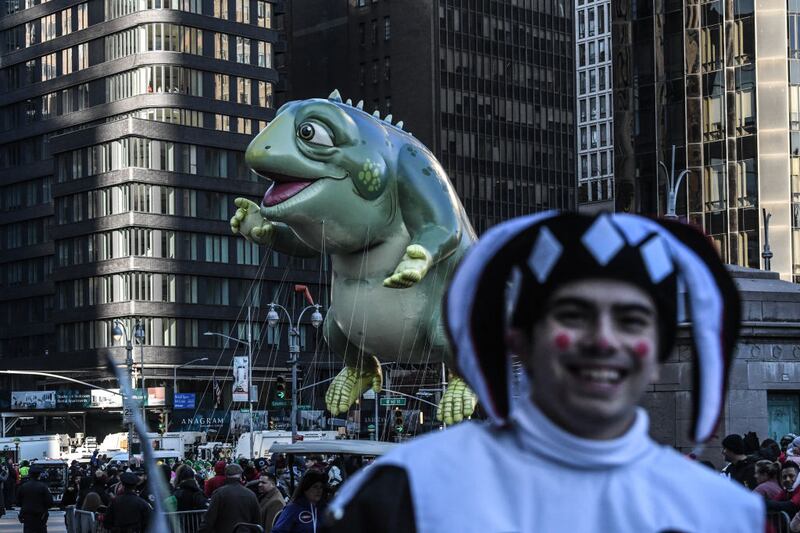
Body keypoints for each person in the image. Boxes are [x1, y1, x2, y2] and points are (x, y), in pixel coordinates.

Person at [324, 213, 764, 532]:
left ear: (657, 352)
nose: (603, 341)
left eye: (632, 321)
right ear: (520, 338)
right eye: (573, 316)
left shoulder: (721, 514)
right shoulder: (407, 491)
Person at [200, 463, 260, 533]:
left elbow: (209, 519)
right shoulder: (251, 494)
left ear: (226, 475)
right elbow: (257, 520)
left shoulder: (219, 493)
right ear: (241, 476)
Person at [16, 468, 53, 533]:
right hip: (40, 515)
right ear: (39, 475)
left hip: (27, 515)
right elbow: (49, 502)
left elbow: (18, 502)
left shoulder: (23, 486)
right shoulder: (43, 487)